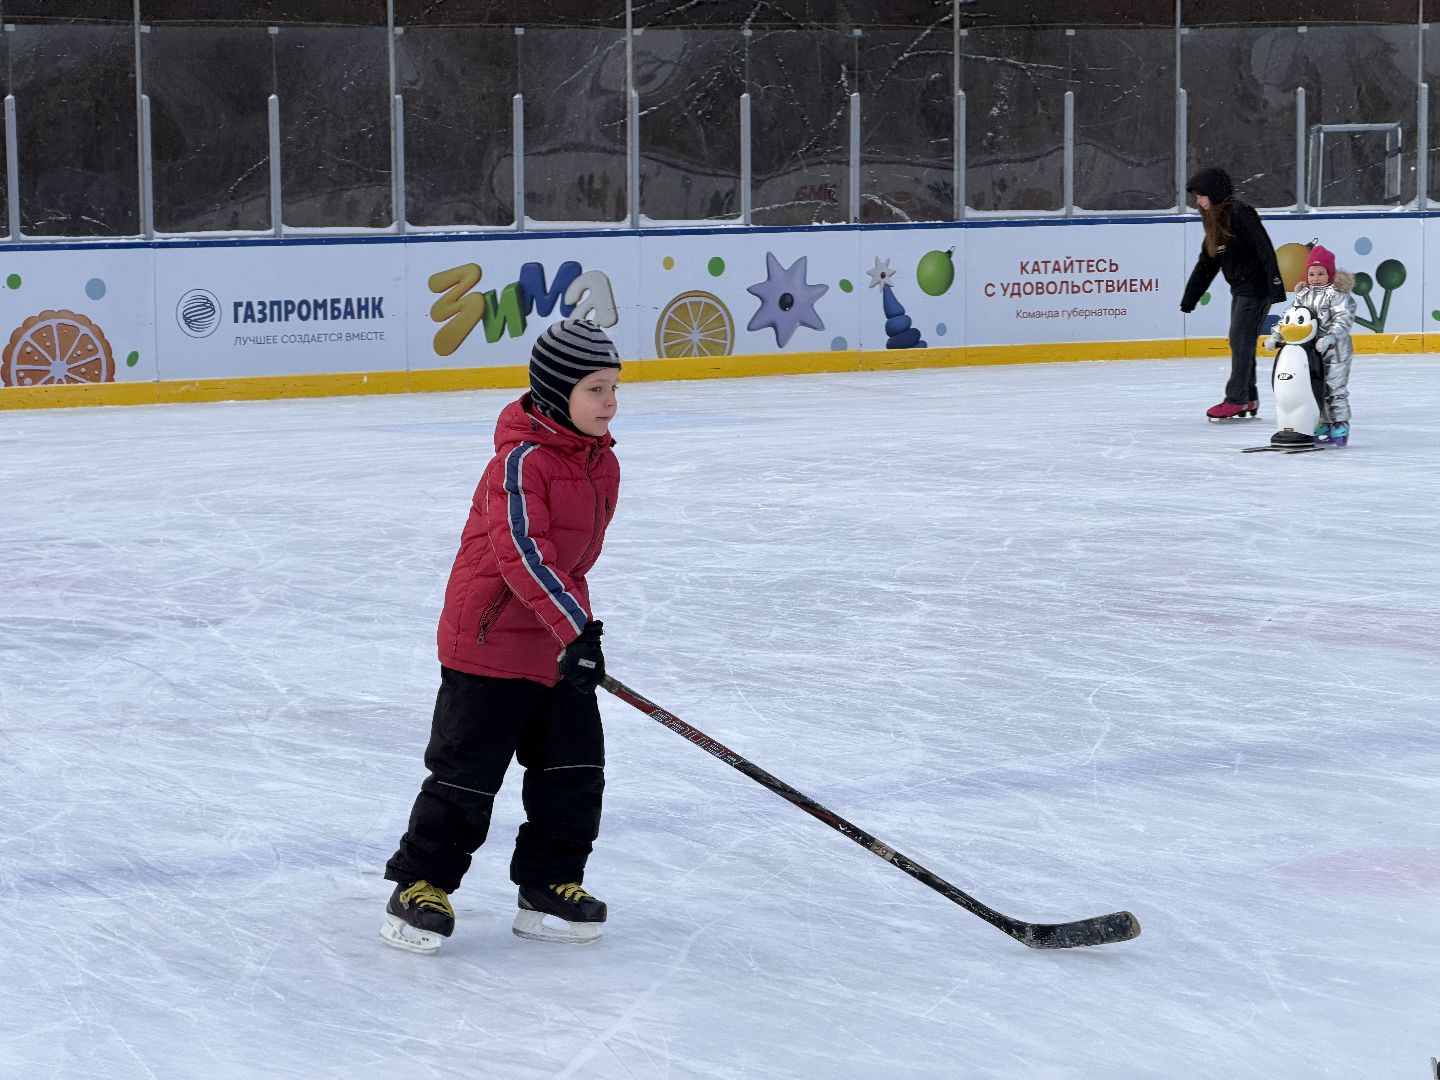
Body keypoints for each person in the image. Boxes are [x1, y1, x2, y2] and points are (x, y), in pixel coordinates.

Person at [381, 318, 623, 954]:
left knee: (574, 770)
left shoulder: (601, 464)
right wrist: (578, 630)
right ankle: (420, 885)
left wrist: (571, 638)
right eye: (595, 389)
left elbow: (572, 564)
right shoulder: (519, 464)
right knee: (466, 776)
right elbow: (522, 553)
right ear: (556, 391)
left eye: (613, 388)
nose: (609, 403)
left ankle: (549, 883)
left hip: (554, 644)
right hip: (487, 645)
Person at [1179, 167, 1288, 421]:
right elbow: (1207, 263)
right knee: (1241, 342)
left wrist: (1274, 285)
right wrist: (1190, 298)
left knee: (1240, 341)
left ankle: (1236, 399)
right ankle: (1247, 397)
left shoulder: (1240, 213)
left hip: (1256, 289)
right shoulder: (1215, 220)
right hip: (1241, 290)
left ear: (1214, 192)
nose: (1198, 201)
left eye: (1201, 195)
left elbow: (1263, 247)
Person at [1268, 243, 1355, 447]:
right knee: (1314, 387)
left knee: (1333, 387)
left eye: (1321, 273)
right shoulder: (1304, 295)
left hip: (1335, 352)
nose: (1315, 278)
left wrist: (1331, 337)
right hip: (1310, 352)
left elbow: (1343, 319)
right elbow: (1291, 318)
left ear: (1330, 274)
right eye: (1312, 274)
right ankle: (1321, 423)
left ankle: (1339, 424)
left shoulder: (1338, 295)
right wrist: (1276, 335)